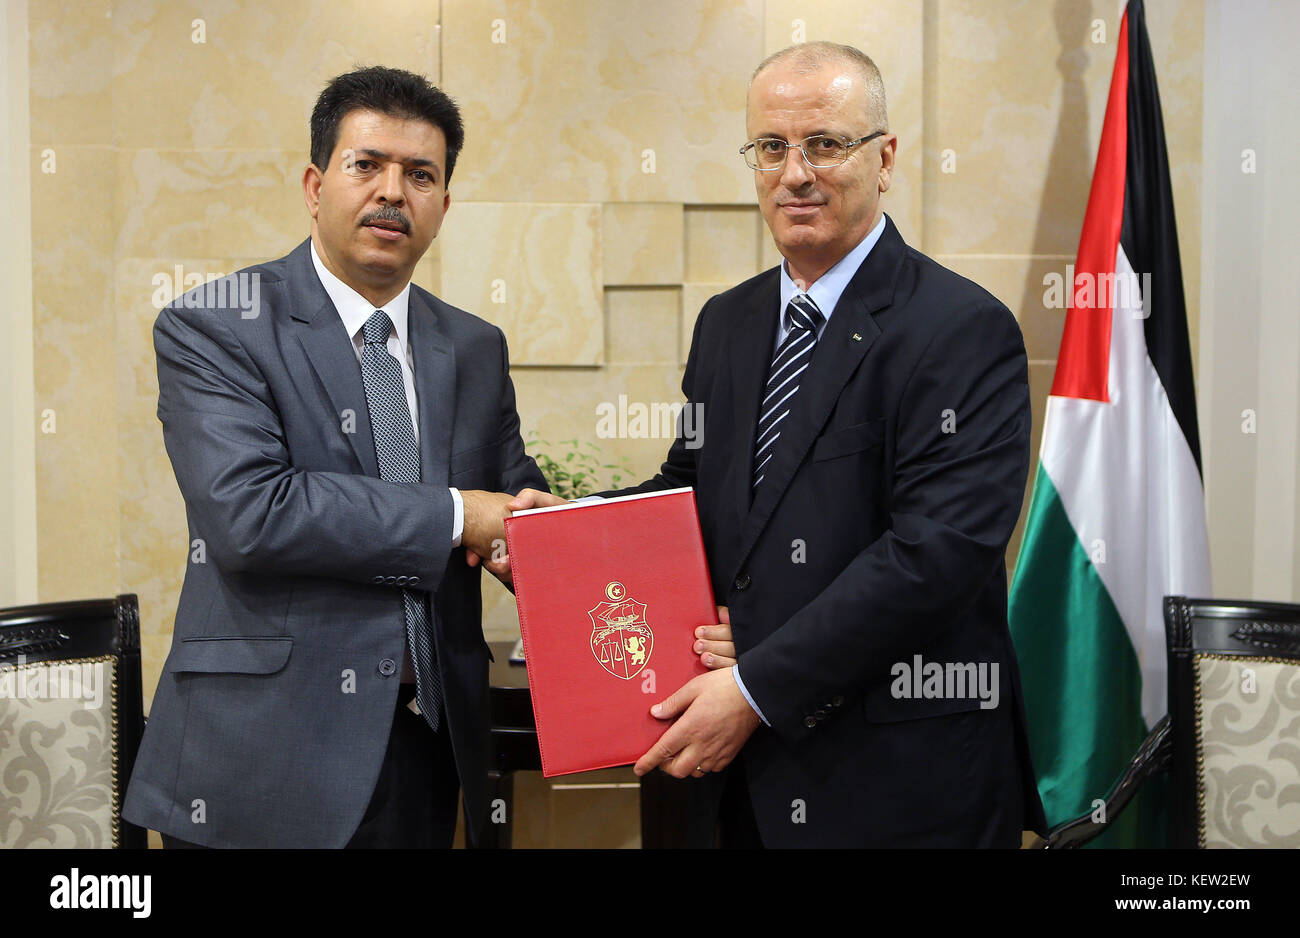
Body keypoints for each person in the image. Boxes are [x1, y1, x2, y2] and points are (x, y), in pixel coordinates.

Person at [510, 42, 1047, 847]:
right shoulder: (728, 321)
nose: (796, 173)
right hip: (726, 788)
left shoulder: (963, 329)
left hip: (892, 782)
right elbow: (687, 487)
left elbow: (935, 556)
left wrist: (758, 679)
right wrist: (565, 534)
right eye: (771, 148)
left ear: (886, 157)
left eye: (826, 144)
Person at [122, 66, 544, 848]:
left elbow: (511, 497)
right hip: (260, 760)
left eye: (421, 175)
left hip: (426, 749)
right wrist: (463, 515)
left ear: (443, 206)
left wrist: (547, 539)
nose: (393, 193)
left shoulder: (475, 346)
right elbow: (252, 514)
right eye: (367, 165)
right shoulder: (217, 324)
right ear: (316, 186)